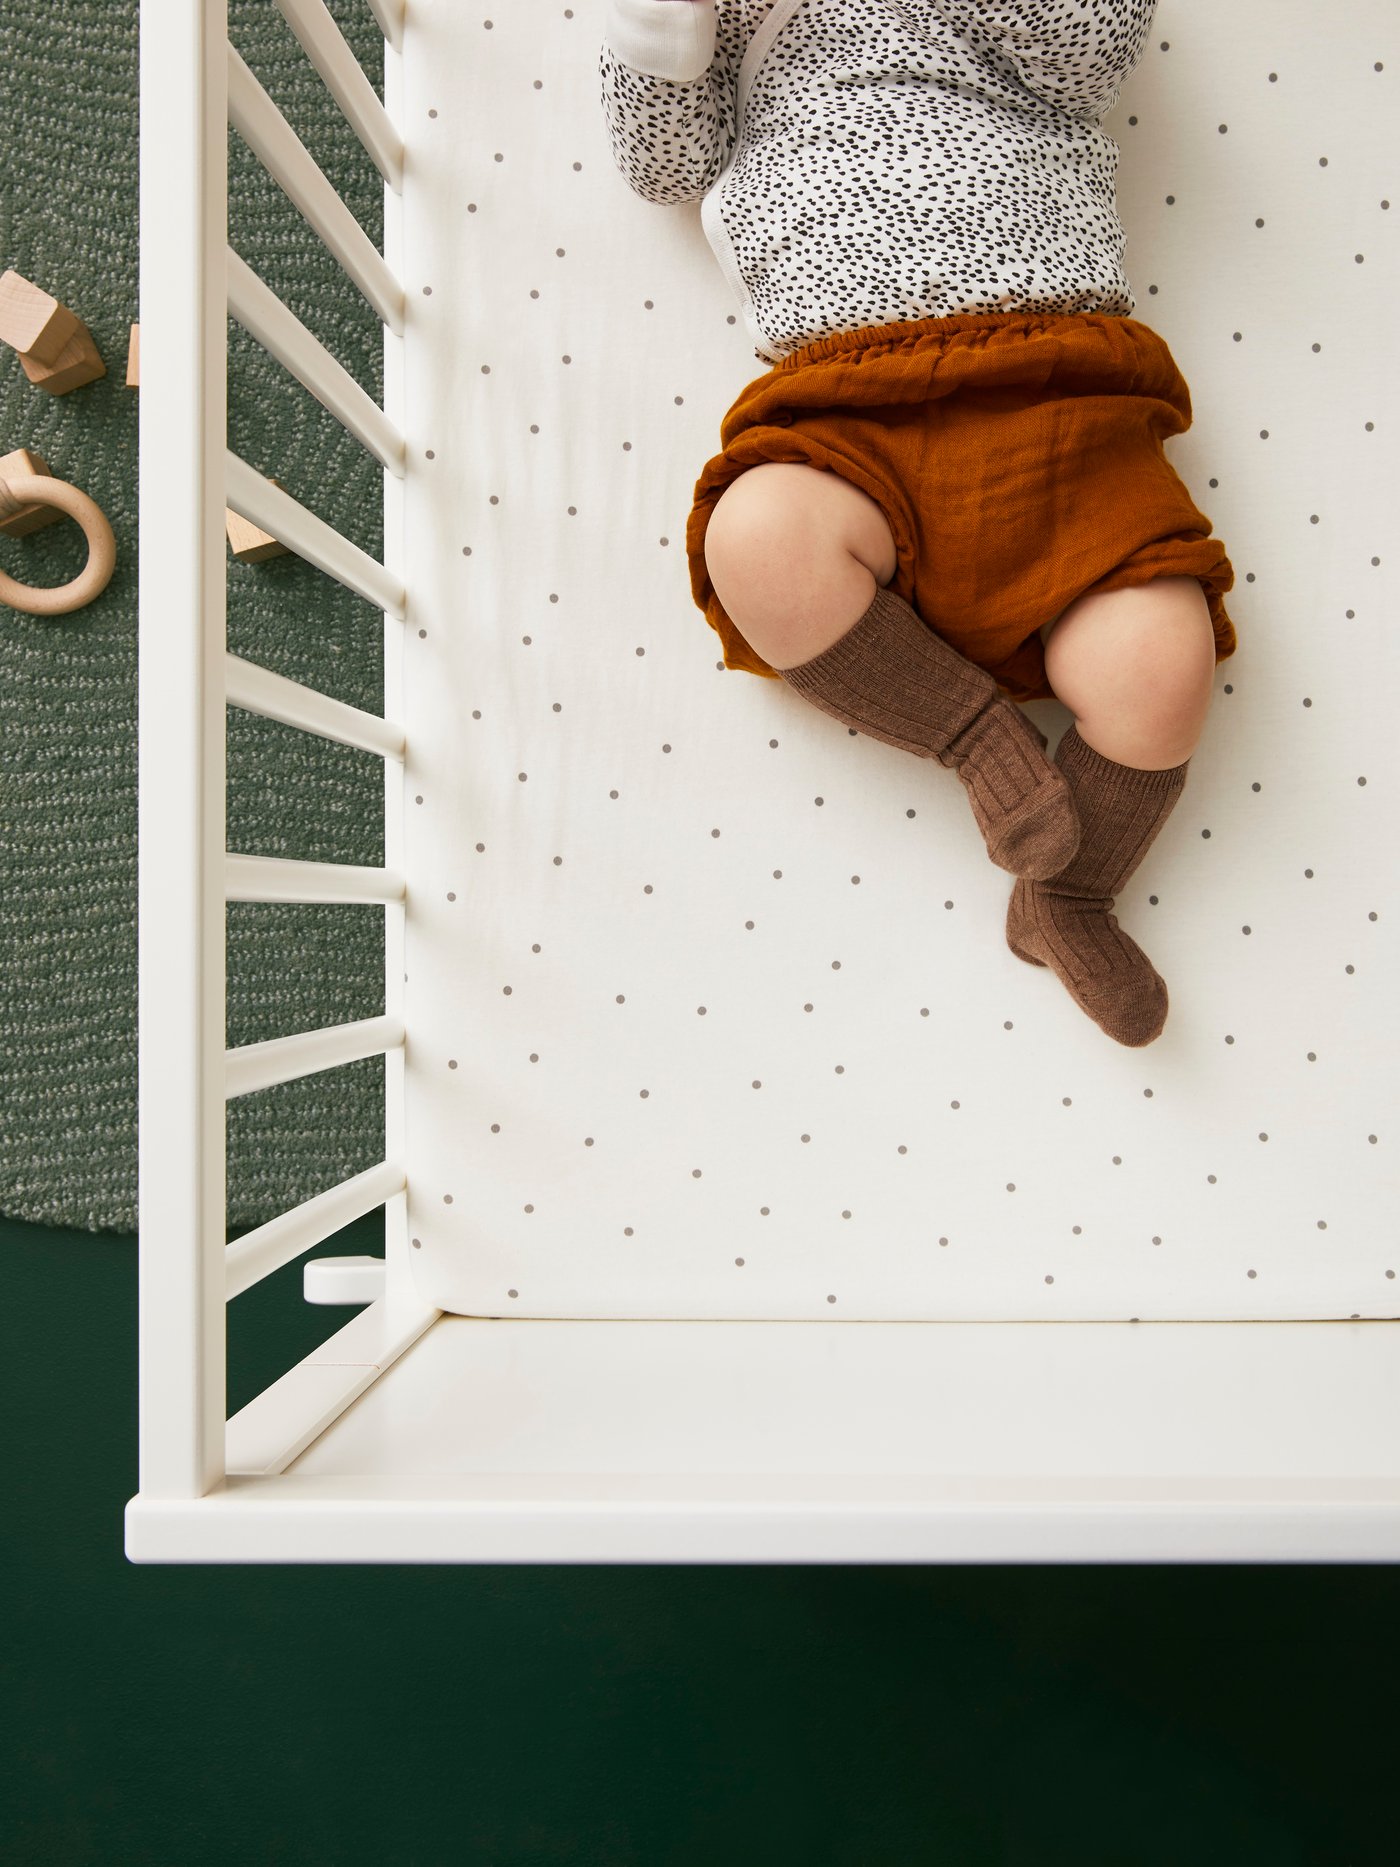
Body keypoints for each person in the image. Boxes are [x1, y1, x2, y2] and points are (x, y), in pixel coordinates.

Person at [599, 0, 1238, 1047]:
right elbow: (666, 165)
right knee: (754, 534)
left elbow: (1088, 57)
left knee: (1159, 662)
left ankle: (1068, 895)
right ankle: (976, 739)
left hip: (1058, 393)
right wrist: (658, 30)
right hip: (848, 410)